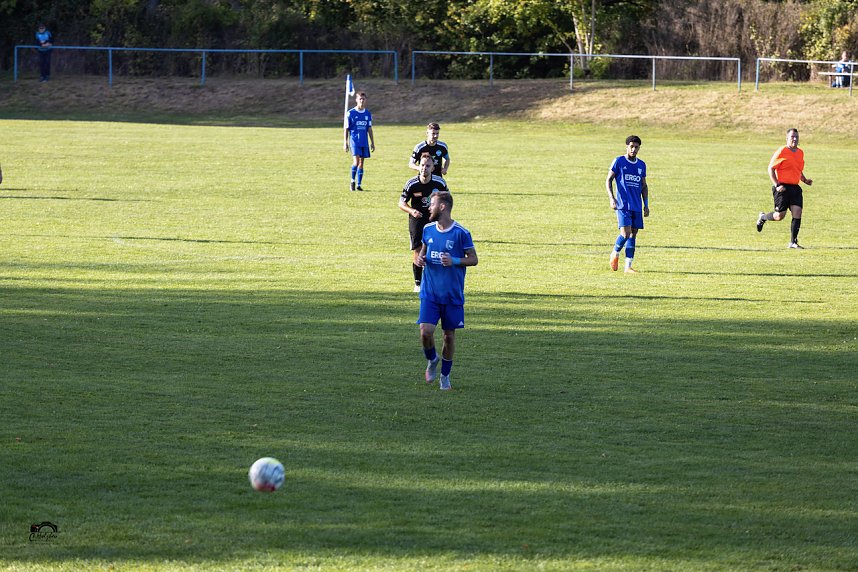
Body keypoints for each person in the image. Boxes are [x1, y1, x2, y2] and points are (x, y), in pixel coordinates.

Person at [415, 191, 477, 391]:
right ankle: (432, 360)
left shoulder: (461, 233)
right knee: (425, 332)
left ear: (442, 207)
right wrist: (419, 259)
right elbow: (421, 254)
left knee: (448, 336)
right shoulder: (428, 229)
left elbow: (474, 259)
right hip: (430, 293)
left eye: (432, 204)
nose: (429, 208)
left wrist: (455, 261)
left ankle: (445, 376)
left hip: (452, 296)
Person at [399, 153, 450, 292]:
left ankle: (434, 281)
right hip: (417, 221)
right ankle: (418, 283)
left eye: (428, 166)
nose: (424, 168)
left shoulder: (439, 183)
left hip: (434, 221)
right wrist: (412, 211)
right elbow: (401, 203)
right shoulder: (412, 183)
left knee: (436, 250)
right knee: (418, 250)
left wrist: (443, 214)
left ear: (433, 168)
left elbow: (448, 200)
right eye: (422, 165)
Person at [756, 128, 813, 249]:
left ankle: (793, 242)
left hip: (795, 188)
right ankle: (763, 217)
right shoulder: (782, 151)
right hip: (782, 188)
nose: (795, 139)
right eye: (792, 137)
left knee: (798, 212)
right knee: (779, 216)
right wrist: (777, 185)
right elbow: (770, 168)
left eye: (796, 137)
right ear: (787, 138)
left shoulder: (800, 152)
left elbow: (798, 169)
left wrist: (805, 180)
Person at [606, 135, 649, 273]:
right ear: (627, 146)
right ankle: (615, 253)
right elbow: (608, 180)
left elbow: (644, 186)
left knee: (633, 234)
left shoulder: (641, 165)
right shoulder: (619, 161)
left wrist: (646, 204)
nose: (634, 149)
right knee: (625, 233)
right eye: (631, 146)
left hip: (636, 205)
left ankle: (628, 266)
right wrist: (612, 198)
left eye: (636, 147)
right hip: (623, 204)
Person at [343, 91, 375, 191]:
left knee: (361, 163)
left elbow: (369, 128)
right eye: (360, 99)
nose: (361, 100)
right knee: (356, 162)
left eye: (363, 99)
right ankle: (352, 181)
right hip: (354, 141)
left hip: (364, 141)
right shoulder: (351, 113)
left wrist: (372, 142)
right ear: (356, 100)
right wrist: (345, 142)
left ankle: (359, 185)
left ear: (365, 100)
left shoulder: (367, 114)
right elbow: (346, 128)